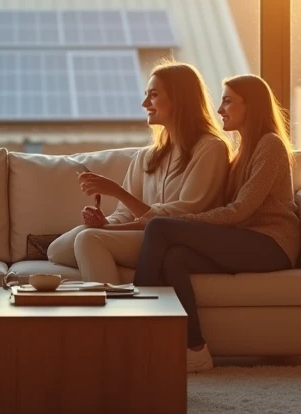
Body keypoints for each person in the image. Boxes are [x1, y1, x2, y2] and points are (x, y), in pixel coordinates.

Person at [133, 74, 300, 373]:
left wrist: (183, 222)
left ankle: (135, 327)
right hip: (246, 240)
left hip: (271, 245)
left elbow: (239, 210)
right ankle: (195, 350)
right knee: (175, 258)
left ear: (251, 106)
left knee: (159, 227)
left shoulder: (270, 145)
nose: (220, 109)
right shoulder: (239, 153)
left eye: (227, 101)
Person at [46, 61, 231, 283]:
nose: (145, 103)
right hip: (138, 233)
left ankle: (115, 315)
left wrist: (117, 192)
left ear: (179, 99)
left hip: (172, 240)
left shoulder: (210, 149)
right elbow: (124, 214)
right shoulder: (147, 157)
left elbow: (183, 216)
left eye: (153, 95)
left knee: (88, 240)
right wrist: (105, 224)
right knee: (57, 250)